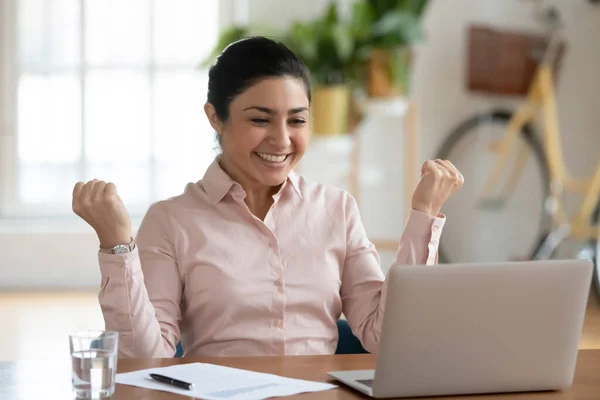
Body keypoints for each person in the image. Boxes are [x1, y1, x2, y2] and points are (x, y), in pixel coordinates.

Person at [72, 37, 464, 358]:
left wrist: (424, 214)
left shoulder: (337, 210)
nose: (281, 140)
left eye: (297, 120)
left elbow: (386, 337)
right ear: (215, 117)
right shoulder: (172, 221)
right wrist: (117, 246)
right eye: (260, 119)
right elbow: (144, 358)